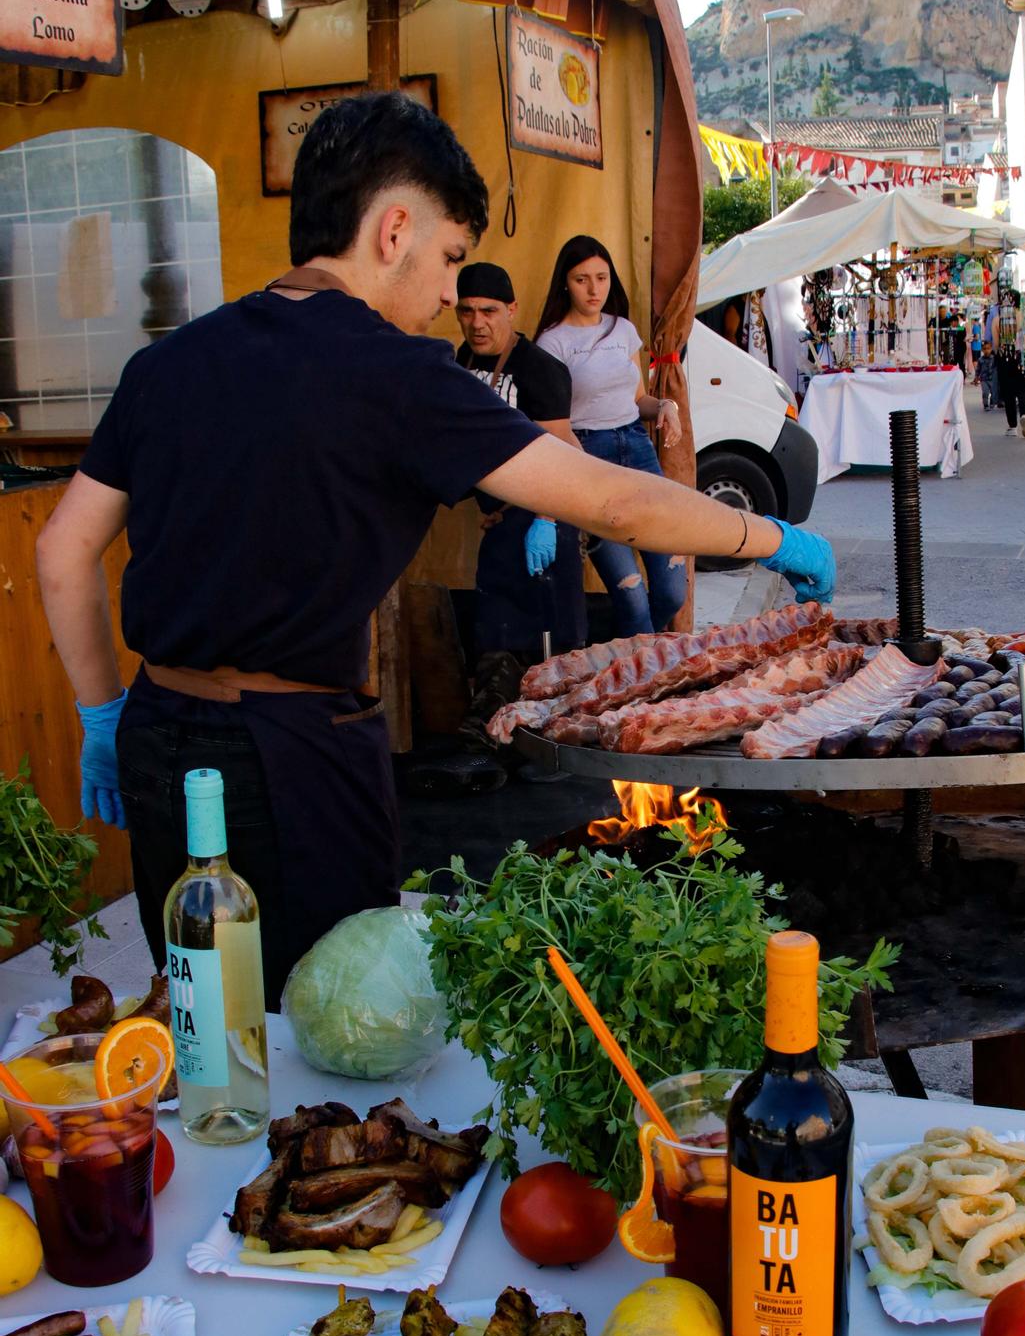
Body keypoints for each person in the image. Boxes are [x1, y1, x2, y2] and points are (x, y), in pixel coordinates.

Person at [36, 93, 835, 1007]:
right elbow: (613, 499)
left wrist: (101, 719)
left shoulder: (167, 363)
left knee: (204, 1017)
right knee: (335, 1021)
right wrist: (771, 534)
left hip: (156, 738)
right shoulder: (399, 373)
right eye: (451, 260)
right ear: (394, 229)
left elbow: (64, 554)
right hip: (289, 755)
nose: (451, 295)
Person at [452, 262, 585, 735]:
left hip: (545, 518)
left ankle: (558, 742)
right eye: (466, 311)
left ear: (512, 310)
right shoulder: (459, 364)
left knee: (552, 640)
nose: (477, 322)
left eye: (489, 310)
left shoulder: (540, 371)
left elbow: (565, 454)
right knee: (497, 628)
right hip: (502, 520)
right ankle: (499, 734)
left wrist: (546, 518)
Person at [535, 235, 688, 637]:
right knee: (631, 598)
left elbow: (638, 399)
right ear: (564, 283)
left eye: (601, 278)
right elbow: (553, 422)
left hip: (637, 448)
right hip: (588, 453)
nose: (593, 289)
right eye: (582, 279)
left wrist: (666, 408)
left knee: (672, 589)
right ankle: (641, 682)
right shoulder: (553, 342)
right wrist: (580, 469)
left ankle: (632, 658)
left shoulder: (622, 330)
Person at [988, 288, 1025, 439]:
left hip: (1004, 356)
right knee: (1024, 388)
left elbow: (995, 343)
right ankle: (1024, 414)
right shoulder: (1024, 316)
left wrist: (998, 350)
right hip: (1021, 355)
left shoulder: (997, 319)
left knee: (1008, 392)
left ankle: (1012, 426)